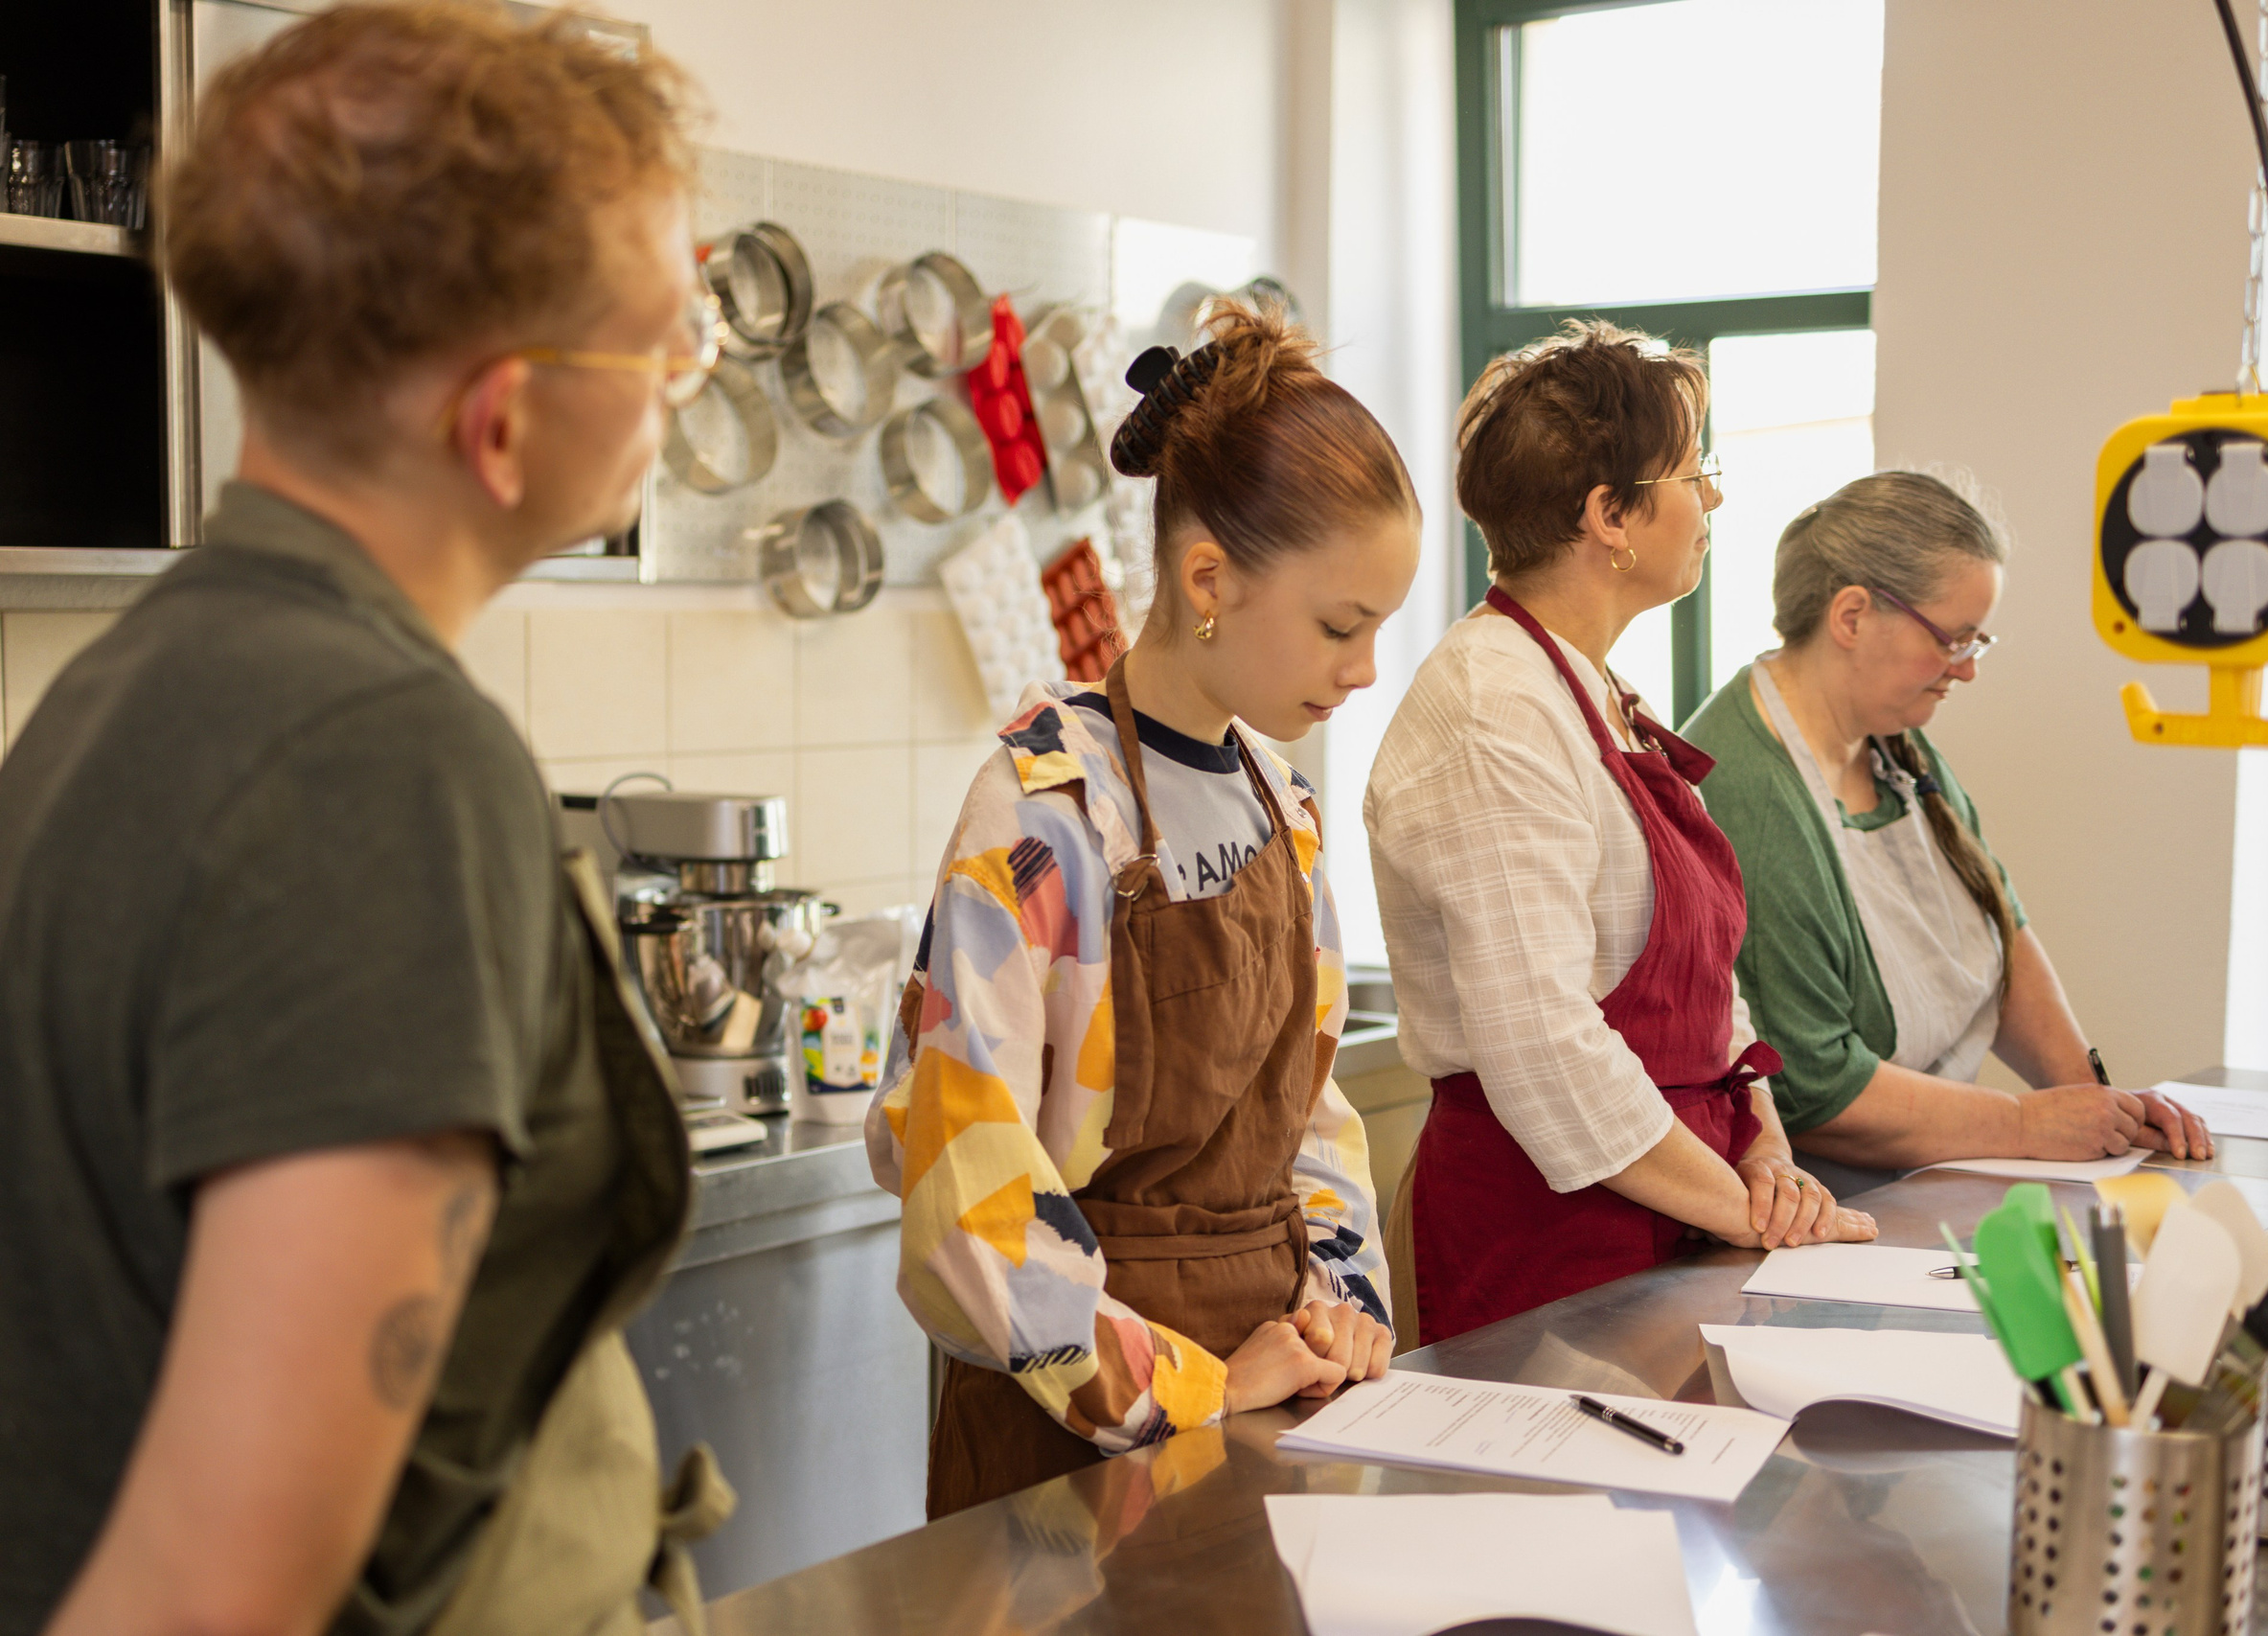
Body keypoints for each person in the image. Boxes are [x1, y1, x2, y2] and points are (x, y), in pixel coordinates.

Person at [0, 8, 734, 1632]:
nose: (688, 385)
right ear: (499, 419)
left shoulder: (117, 696)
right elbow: (217, 1586)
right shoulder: (386, 769)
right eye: (666, 346)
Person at [867, 303, 1416, 1516]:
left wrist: (1344, 1309)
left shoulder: (1286, 807)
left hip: (1277, 1389)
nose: (1366, 667)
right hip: (1077, 1428)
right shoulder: (1045, 813)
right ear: (1207, 579)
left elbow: (1311, 1122)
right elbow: (965, 1189)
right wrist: (1184, 1389)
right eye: (1341, 625)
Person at [1365, 322, 1875, 1350]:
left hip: (1680, 1203)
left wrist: (1766, 1158)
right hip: (1552, 1237)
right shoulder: (1491, 708)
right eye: (1695, 473)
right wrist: (1743, 1212)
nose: (1713, 499)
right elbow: (1542, 1042)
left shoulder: (1600, 696)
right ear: (1609, 516)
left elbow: (1711, 996)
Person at [1681, 471, 2211, 1194]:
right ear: (1852, 616)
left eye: (1977, 641)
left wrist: (2095, 1099)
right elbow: (1811, 1087)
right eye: (1953, 638)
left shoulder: (1892, 742)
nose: (1965, 670)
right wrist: (2026, 1124)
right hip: (1822, 1206)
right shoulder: (1749, 791)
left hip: (1920, 1180)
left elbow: (1999, 927)